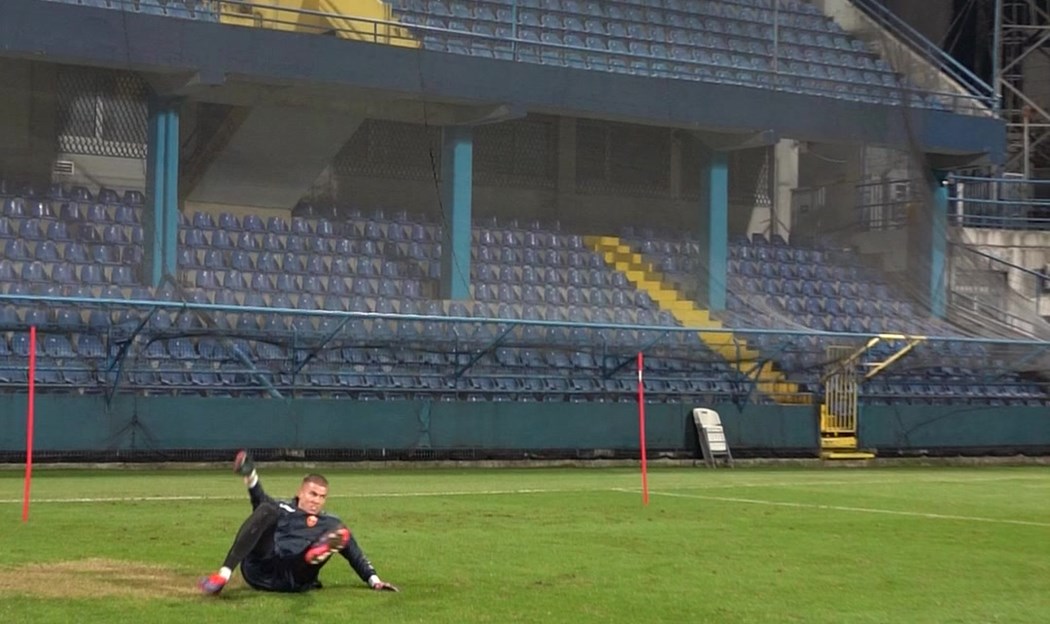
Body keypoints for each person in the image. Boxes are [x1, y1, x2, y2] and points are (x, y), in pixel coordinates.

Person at [198, 450, 399, 595]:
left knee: (339, 534)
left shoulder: (329, 522)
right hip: (262, 567)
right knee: (266, 509)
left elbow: (356, 554)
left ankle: (315, 554)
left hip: (294, 575)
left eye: (322, 496)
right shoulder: (283, 507)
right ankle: (223, 576)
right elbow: (258, 495)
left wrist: (374, 580)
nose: (316, 500)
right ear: (300, 492)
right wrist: (250, 473)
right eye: (313, 494)